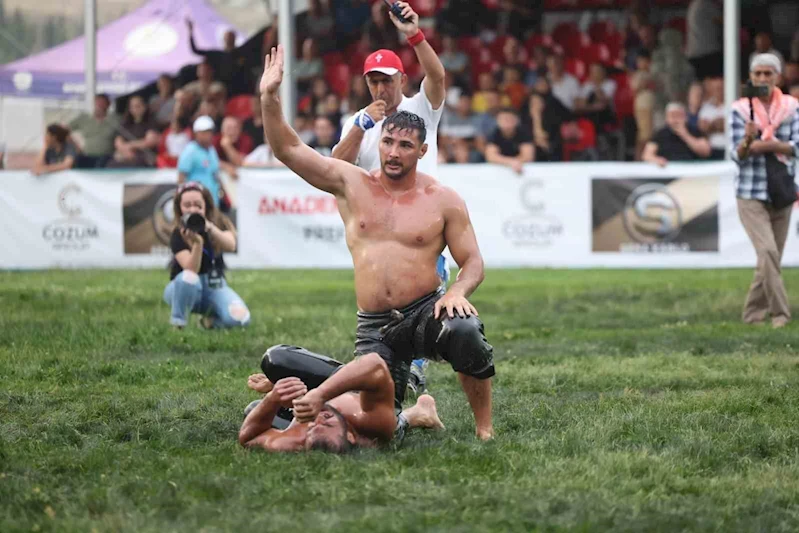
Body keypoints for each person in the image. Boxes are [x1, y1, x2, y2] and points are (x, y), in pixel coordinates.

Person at [260, 45, 496, 440]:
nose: (393, 153)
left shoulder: (443, 199)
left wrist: (457, 291)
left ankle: (484, 429)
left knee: (465, 328)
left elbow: (473, 261)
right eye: (388, 143)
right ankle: (414, 414)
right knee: (369, 428)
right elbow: (288, 148)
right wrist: (269, 97)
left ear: (422, 151)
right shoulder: (352, 184)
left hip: (425, 313)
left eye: (405, 146)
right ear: (379, 140)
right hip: (375, 327)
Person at [331, 1, 448, 395]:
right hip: (379, 231)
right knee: (384, 308)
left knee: (423, 298)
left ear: (402, 79)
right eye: (374, 82)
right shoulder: (359, 121)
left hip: (422, 222)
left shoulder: (420, 109)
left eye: (387, 81)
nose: (381, 89)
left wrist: (414, 35)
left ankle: (413, 370)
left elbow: (437, 75)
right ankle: (391, 368)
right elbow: (336, 166)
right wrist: (363, 124)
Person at [238, 348, 443, 453]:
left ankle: (297, 390)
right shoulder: (372, 422)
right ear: (351, 437)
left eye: (312, 427)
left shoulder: (299, 439)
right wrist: (319, 395)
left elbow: (248, 437)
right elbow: (374, 364)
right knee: (275, 359)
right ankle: (418, 413)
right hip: (365, 386)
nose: (319, 419)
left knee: (255, 408)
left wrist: (274, 398)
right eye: (328, 422)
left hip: (322, 395)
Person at [730, 53, 799, 329]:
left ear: (777, 77)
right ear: (750, 77)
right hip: (750, 192)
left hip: (781, 190)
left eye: (768, 73)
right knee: (768, 251)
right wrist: (749, 140)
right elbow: (737, 155)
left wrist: (763, 144)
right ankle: (781, 314)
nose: (762, 78)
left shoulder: (792, 107)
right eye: (757, 74)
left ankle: (752, 315)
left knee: (770, 258)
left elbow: (797, 147)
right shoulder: (739, 110)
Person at [163, 182, 249, 329]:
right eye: (187, 205)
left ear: (206, 207)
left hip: (215, 287)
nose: (193, 209)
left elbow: (231, 245)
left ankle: (208, 323)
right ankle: (178, 323)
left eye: (198, 205)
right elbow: (190, 270)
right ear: (179, 209)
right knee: (187, 278)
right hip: (183, 289)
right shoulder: (178, 234)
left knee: (241, 320)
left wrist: (210, 228)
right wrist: (197, 243)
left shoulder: (217, 223)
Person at [178, 116, 227, 208]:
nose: (208, 135)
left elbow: (215, 173)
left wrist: (222, 191)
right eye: (204, 132)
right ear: (196, 134)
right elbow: (181, 177)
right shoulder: (190, 151)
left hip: (213, 200)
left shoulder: (211, 150)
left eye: (210, 132)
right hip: (196, 203)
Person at [642, 103, 711, 166]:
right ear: (667, 118)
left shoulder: (694, 131)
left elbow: (706, 152)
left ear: (686, 117)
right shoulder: (660, 134)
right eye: (672, 116)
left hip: (691, 169)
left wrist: (685, 135)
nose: (675, 120)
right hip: (668, 170)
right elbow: (647, 155)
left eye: (678, 116)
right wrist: (656, 160)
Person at [108, 95, 160, 168]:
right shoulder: (125, 123)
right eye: (132, 107)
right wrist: (125, 150)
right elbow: (118, 141)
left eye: (138, 106)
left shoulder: (151, 122)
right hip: (126, 154)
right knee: (111, 164)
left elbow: (149, 142)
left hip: (144, 155)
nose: (135, 109)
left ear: (144, 107)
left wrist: (130, 146)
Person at [68, 94, 118, 169]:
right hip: (86, 155)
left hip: (107, 157)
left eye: (102, 103)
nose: (99, 106)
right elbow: (63, 130)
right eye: (98, 103)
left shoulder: (115, 119)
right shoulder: (84, 118)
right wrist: (75, 145)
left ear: (108, 104)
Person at [485, 108, 535, 173]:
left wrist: (515, 162)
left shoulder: (524, 133)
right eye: (503, 119)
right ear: (497, 121)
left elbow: (528, 156)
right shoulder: (494, 134)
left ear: (516, 120)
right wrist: (511, 162)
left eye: (509, 119)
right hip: (501, 168)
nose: (506, 122)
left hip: (525, 168)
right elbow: (491, 156)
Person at [698, 76, 726, 160]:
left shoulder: (734, 104)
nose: (718, 91)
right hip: (711, 150)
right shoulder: (706, 107)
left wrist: (711, 125)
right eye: (716, 88)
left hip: (728, 149)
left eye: (720, 88)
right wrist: (718, 124)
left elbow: (729, 125)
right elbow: (702, 128)